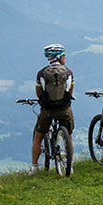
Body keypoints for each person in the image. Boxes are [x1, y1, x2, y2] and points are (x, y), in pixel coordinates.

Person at [31, 43, 74, 175]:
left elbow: (38, 92)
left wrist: (43, 102)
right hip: (64, 109)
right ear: (59, 57)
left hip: (47, 110)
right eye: (64, 56)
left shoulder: (41, 73)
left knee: (38, 137)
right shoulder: (68, 72)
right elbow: (70, 90)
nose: (65, 58)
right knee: (69, 136)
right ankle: (70, 165)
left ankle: (34, 167)